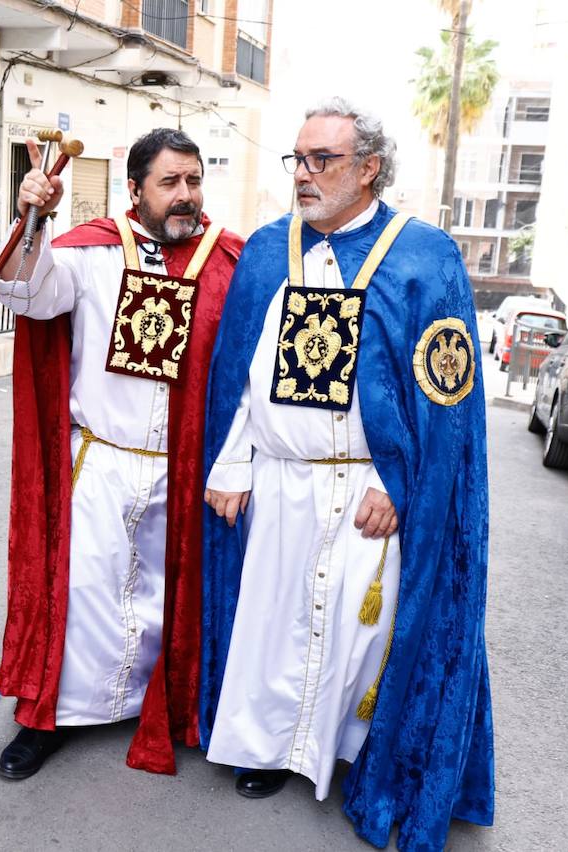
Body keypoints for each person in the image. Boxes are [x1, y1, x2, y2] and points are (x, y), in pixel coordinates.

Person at [199, 99, 494, 850]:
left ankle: (345, 754)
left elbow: (447, 400)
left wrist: (401, 486)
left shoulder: (423, 257)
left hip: (367, 487)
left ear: (369, 168)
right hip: (283, 479)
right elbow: (241, 377)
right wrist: (232, 464)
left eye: (320, 160)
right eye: (296, 159)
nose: (303, 174)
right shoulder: (270, 252)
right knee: (275, 622)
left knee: (354, 635)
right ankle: (267, 750)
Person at [0, 128, 244, 778]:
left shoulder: (225, 262)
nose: (186, 194)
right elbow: (24, 294)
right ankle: (55, 717)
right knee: (86, 592)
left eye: (193, 180)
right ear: (135, 189)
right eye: (170, 182)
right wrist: (33, 219)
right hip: (101, 458)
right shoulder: (91, 252)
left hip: (182, 466)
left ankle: (161, 703)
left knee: (165, 594)